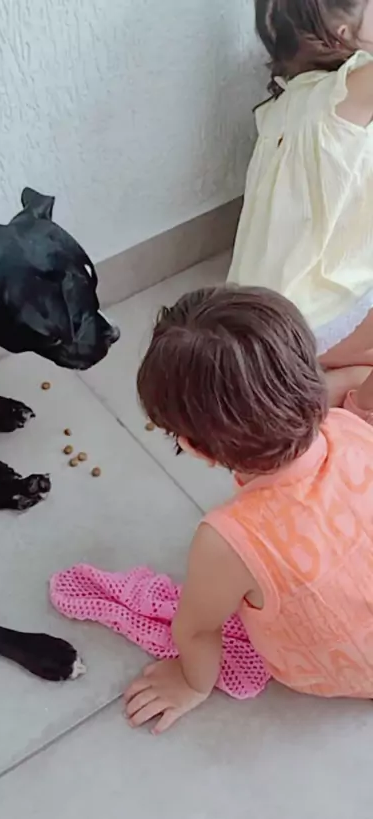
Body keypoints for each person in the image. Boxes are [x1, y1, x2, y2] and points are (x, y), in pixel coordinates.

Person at [124, 286, 373, 733]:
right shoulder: (351, 428)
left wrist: (191, 682)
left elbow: (197, 629)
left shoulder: (226, 541)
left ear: (195, 448)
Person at [228, 0, 373, 418]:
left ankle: (309, 378)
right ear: (343, 34)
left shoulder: (289, 103)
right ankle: (344, 397)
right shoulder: (349, 92)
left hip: (266, 316)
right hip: (316, 318)